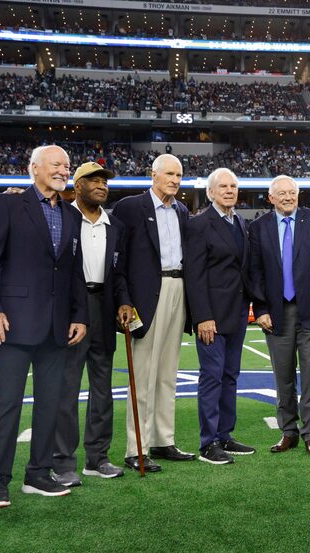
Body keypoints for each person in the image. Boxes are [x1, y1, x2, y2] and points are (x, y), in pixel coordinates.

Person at [0, 145, 87, 508]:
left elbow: (73, 272)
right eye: (56, 164)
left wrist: (80, 315)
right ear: (34, 168)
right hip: (14, 323)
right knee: (8, 404)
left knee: (50, 404)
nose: (62, 170)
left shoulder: (71, 214)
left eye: (66, 166)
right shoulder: (8, 204)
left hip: (56, 327)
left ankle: (38, 474)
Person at [52, 162, 135, 486]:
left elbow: (120, 272)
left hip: (104, 305)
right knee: (67, 388)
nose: (101, 186)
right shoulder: (63, 217)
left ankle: (97, 458)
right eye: (94, 181)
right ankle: (62, 462)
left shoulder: (114, 225)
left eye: (104, 182)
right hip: (72, 307)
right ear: (78, 185)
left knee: (102, 389)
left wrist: (125, 301)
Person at [112, 153, 194, 472]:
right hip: (145, 296)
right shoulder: (130, 207)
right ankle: (137, 448)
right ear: (153, 175)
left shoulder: (183, 211)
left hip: (178, 289)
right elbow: (117, 262)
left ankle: (162, 440)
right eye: (169, 174)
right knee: (143, 375)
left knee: (167, 373)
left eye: (179, 175)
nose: (174, 180)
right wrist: (124, 300)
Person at [249, 175, 310, 457]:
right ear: (270, 197)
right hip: (276, 313)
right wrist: (260, 309)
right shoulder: (258, 227)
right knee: (283, 376)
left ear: (298, 195)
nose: (287, 197)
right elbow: (255, 273)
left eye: (292, 193)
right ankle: (289, 431)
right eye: (281, 193)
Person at [185, 168, 255, 465]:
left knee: (230, 376)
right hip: (211, 316)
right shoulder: (200, 224)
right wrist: (202, 316)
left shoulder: (240, 221)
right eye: (223, 186)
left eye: (233, 186)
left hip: (237, 313)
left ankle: (225, 434)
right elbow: (195, 274)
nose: (229, 190)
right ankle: (208, 442)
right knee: (212, 377)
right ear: (211, 192)